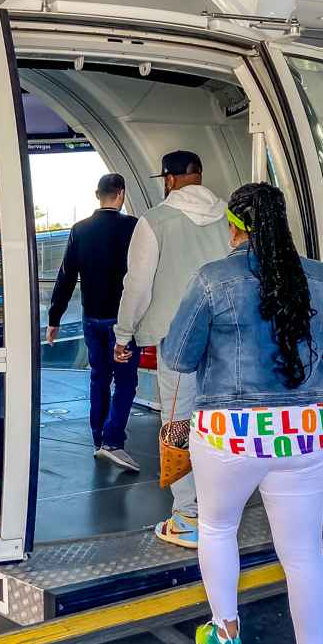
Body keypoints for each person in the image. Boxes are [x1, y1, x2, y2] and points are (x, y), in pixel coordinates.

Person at [162, 182, 323, 644]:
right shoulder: (321, 278)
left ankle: (226, 638)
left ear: (235, 227)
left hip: (229, 431)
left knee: (218, 529)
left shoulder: (214, 280)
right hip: (304, 431)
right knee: (303, 557)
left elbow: (177, 354)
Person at [114, 151, 231, 548]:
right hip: (227, 336)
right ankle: (221, 507)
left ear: (168, 179)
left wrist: (123, 334)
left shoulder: (154, 220)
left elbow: (138, 286)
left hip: (178, 337)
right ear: (199, 176)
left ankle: (187, 515)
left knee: (179, 422)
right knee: (218, 420)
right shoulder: (229, 215)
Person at [47, 173, 141, 470]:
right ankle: (113, 440)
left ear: (96, 194)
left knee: (99, 377)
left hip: (91, 319)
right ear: (121, 194)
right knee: (126, 381)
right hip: (121, 321)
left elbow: (66, 277)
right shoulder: (133, 228)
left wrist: (54, 318)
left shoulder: (80, 229)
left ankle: (98, 437)